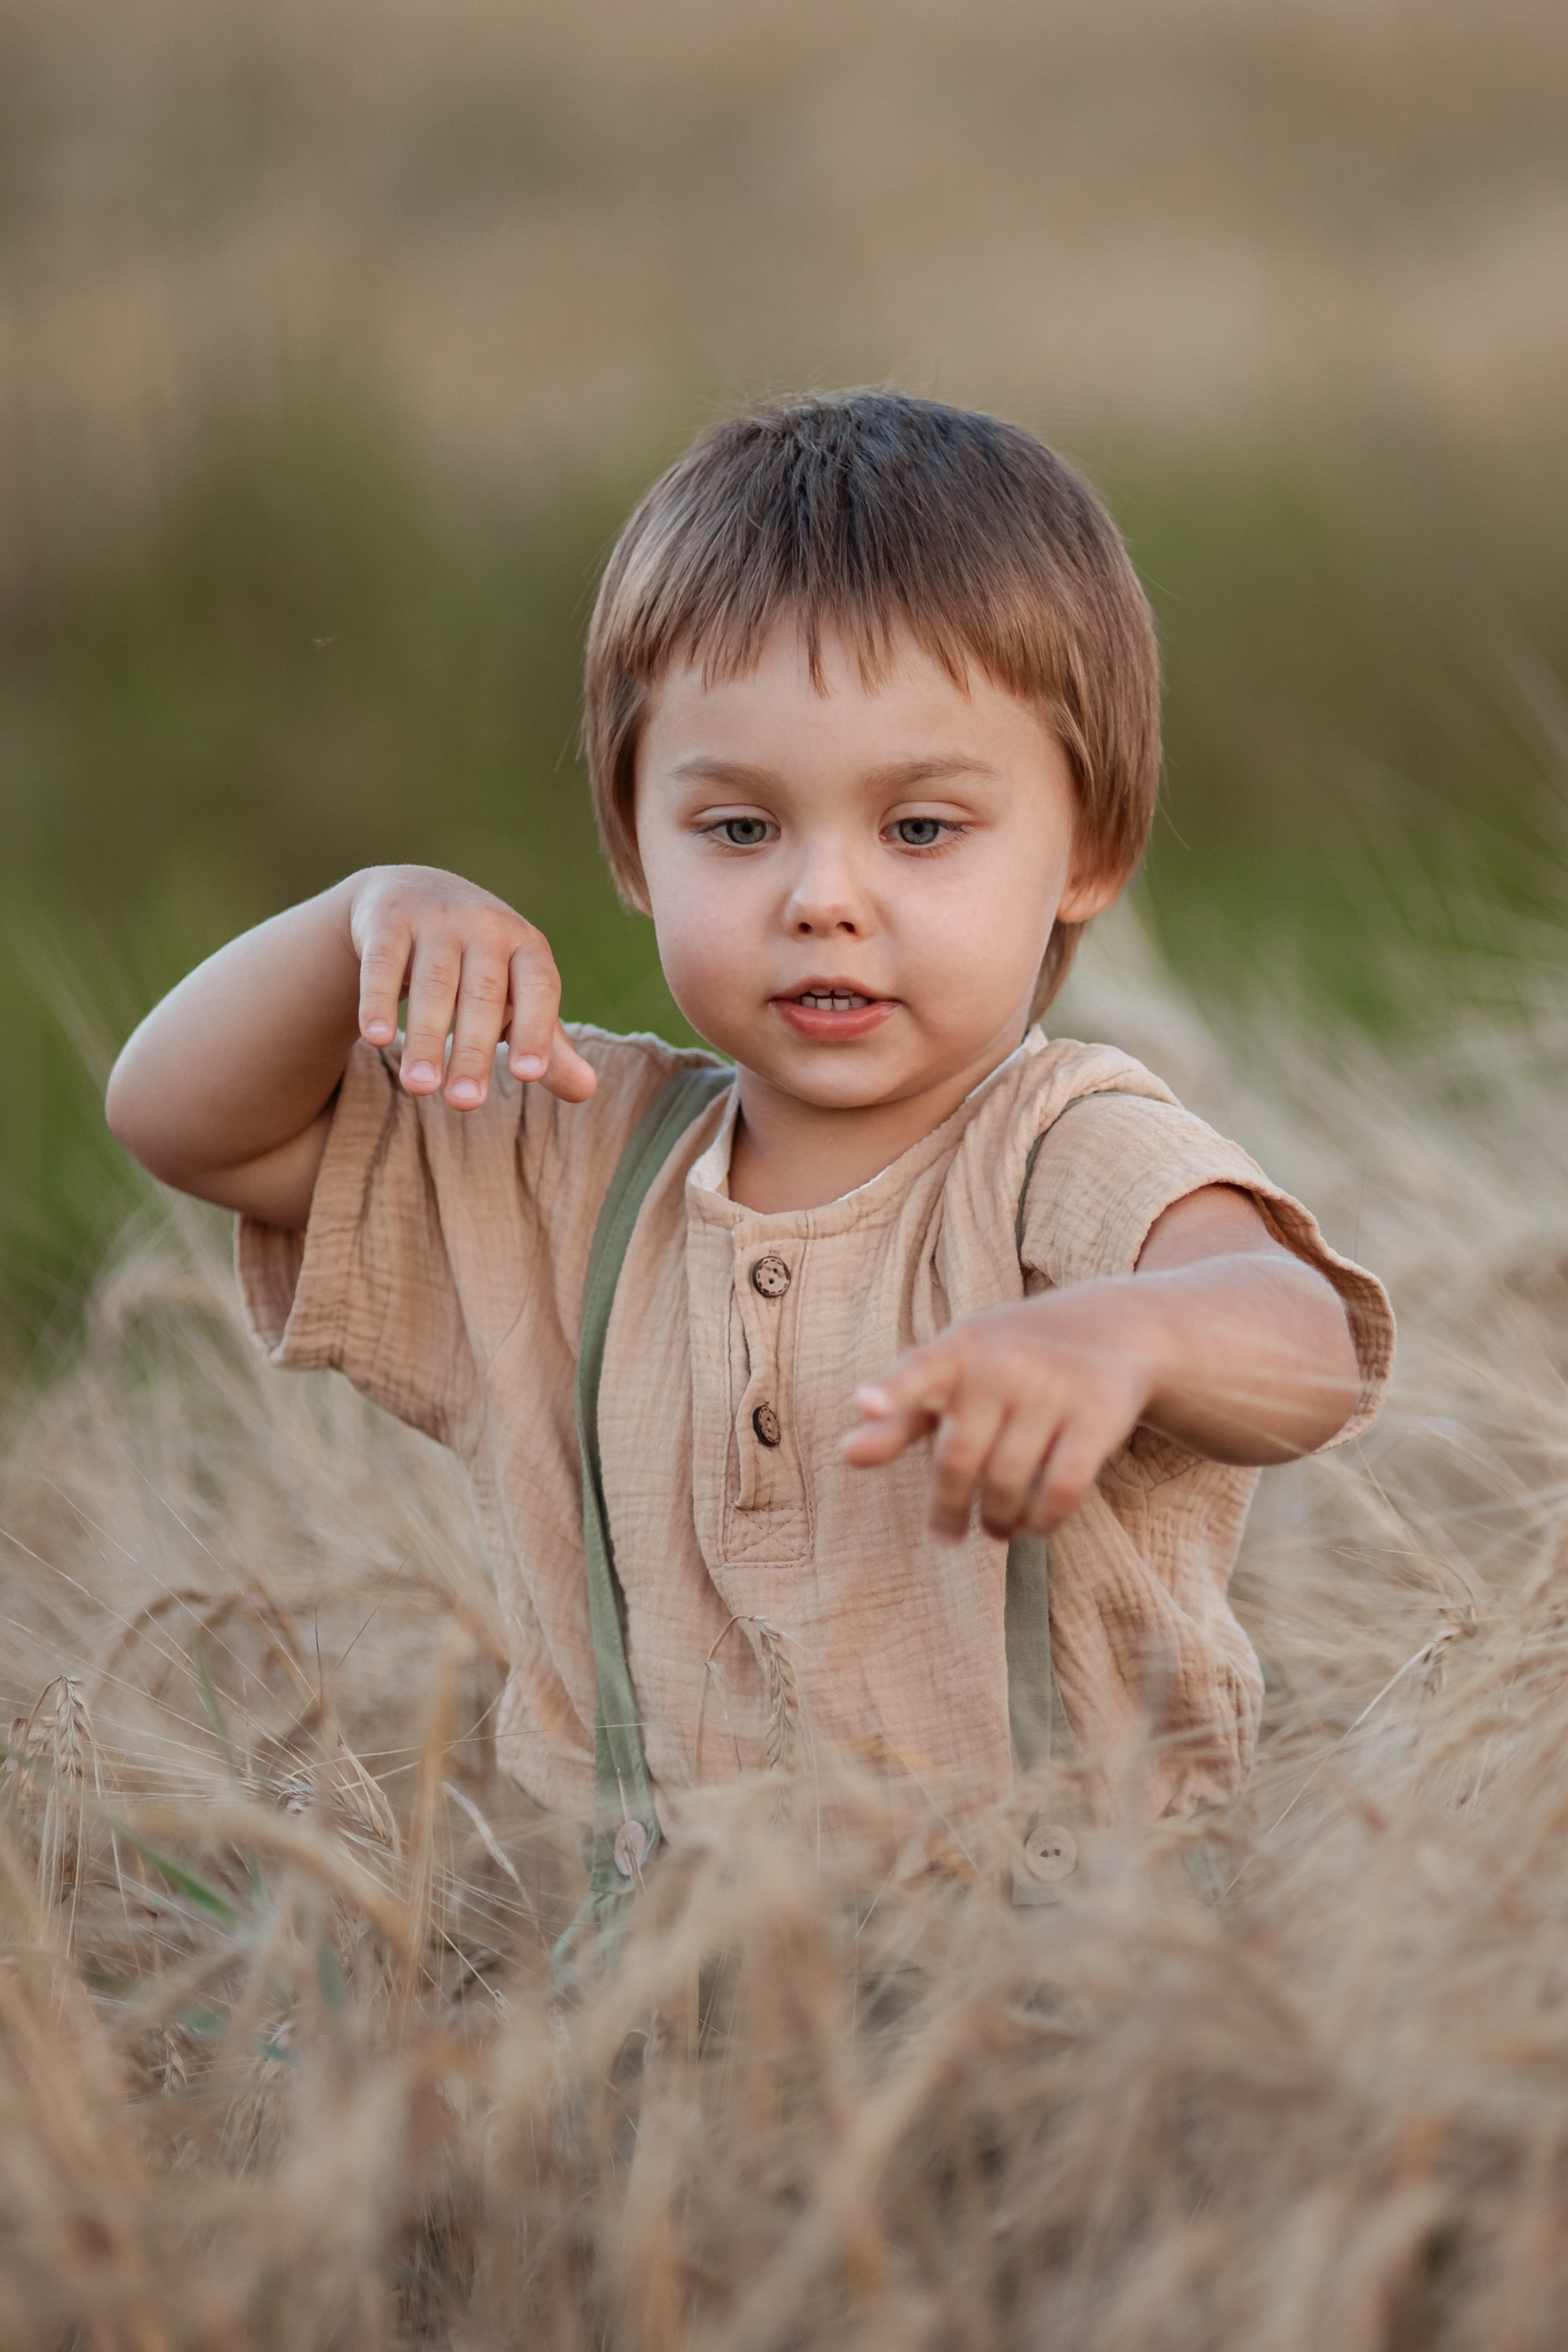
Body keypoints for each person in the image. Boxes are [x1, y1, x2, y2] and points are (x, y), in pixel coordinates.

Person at [106, 391, 1392, 1882]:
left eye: (919, 830)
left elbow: (1307, 1346)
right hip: (665, 1993)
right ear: (631, 841)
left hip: (1070, 1981)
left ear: (1087, 852)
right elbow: (178, 1122)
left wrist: (1127, 1339)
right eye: (738, 829)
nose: (820, 897)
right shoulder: (566, 1161)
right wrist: (357, 923)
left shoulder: (1063, 1150)